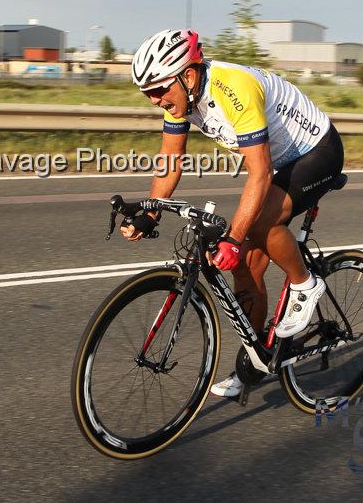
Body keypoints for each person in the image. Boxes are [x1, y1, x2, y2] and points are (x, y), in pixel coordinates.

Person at [120, 28, 344, 398]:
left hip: (316, 152)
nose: (155, 100)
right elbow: (171, 162)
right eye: (147, 93)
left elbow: (259, 173)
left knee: (258, 226)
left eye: (159, 90)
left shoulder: (233, 89)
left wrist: (233, 239)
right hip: (280, 162)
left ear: (187, 75)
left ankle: (306, 285)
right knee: (245, 268)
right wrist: (151, 212)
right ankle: (255, 362)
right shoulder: (183, 99)